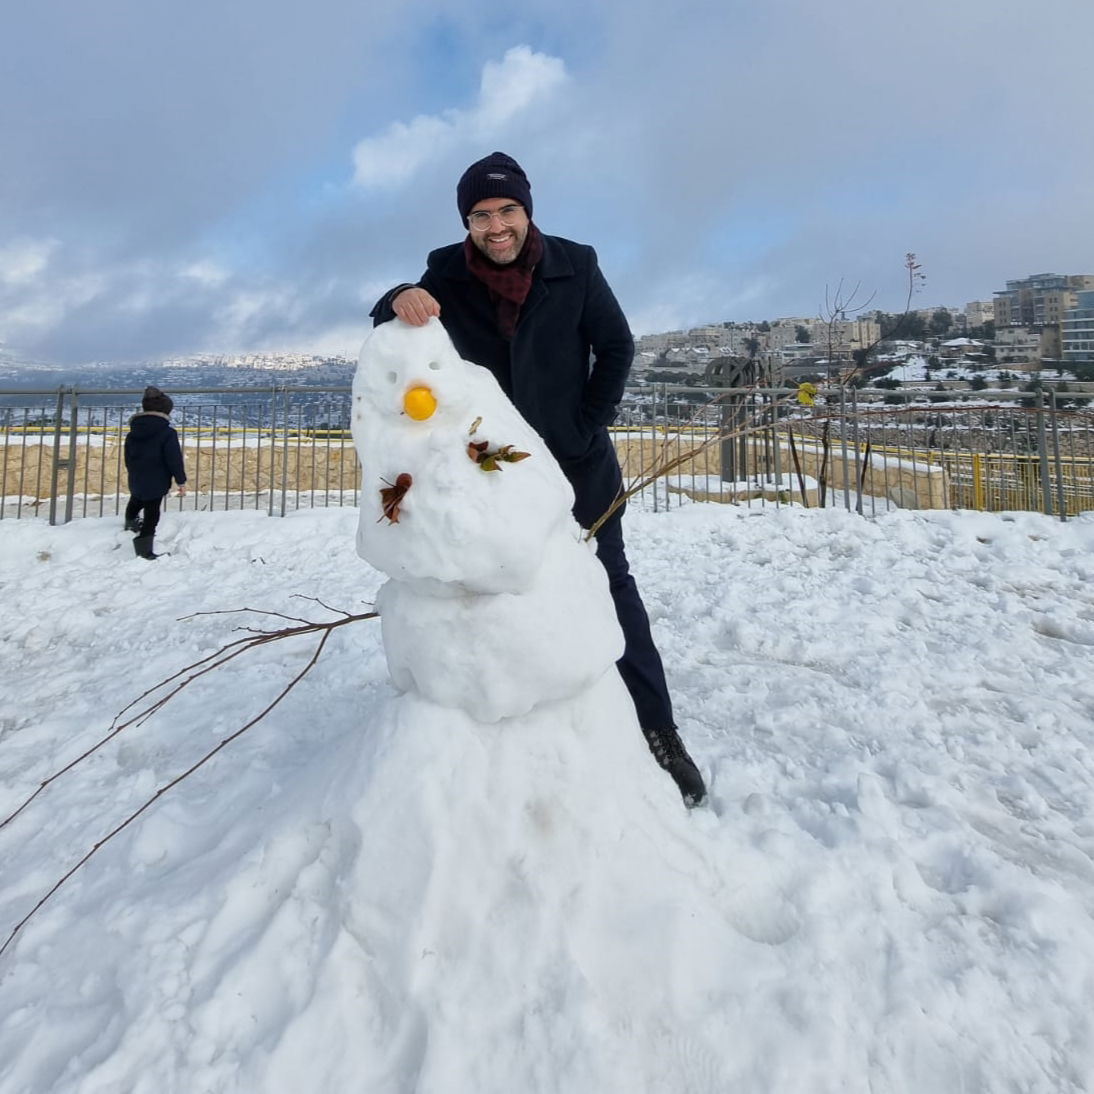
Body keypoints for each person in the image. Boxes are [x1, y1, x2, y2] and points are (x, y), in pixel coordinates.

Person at [370, 151, 706, 807]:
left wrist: (584, 427)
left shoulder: (575, 264)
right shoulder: (445, 271)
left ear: (528, 210)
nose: (495, 227)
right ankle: (530, 736)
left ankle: (658, 729)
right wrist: (395, 296)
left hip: (579, 471)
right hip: (494, 477)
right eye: (480, 215)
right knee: (505, 595)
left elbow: (616, 347)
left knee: (612, 586)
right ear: (466, 220)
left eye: (507, 211)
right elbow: (391, 317)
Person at [123, 385, 187, 559]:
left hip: (137, 476)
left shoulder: (133, 433)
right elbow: (174, 459)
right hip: (157, 479)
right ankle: (144, 548)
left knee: (136, 499)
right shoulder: (167, 433)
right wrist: (181, 481)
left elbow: (128, 457)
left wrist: (133, 470)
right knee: (152, 513)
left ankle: (130, 522)